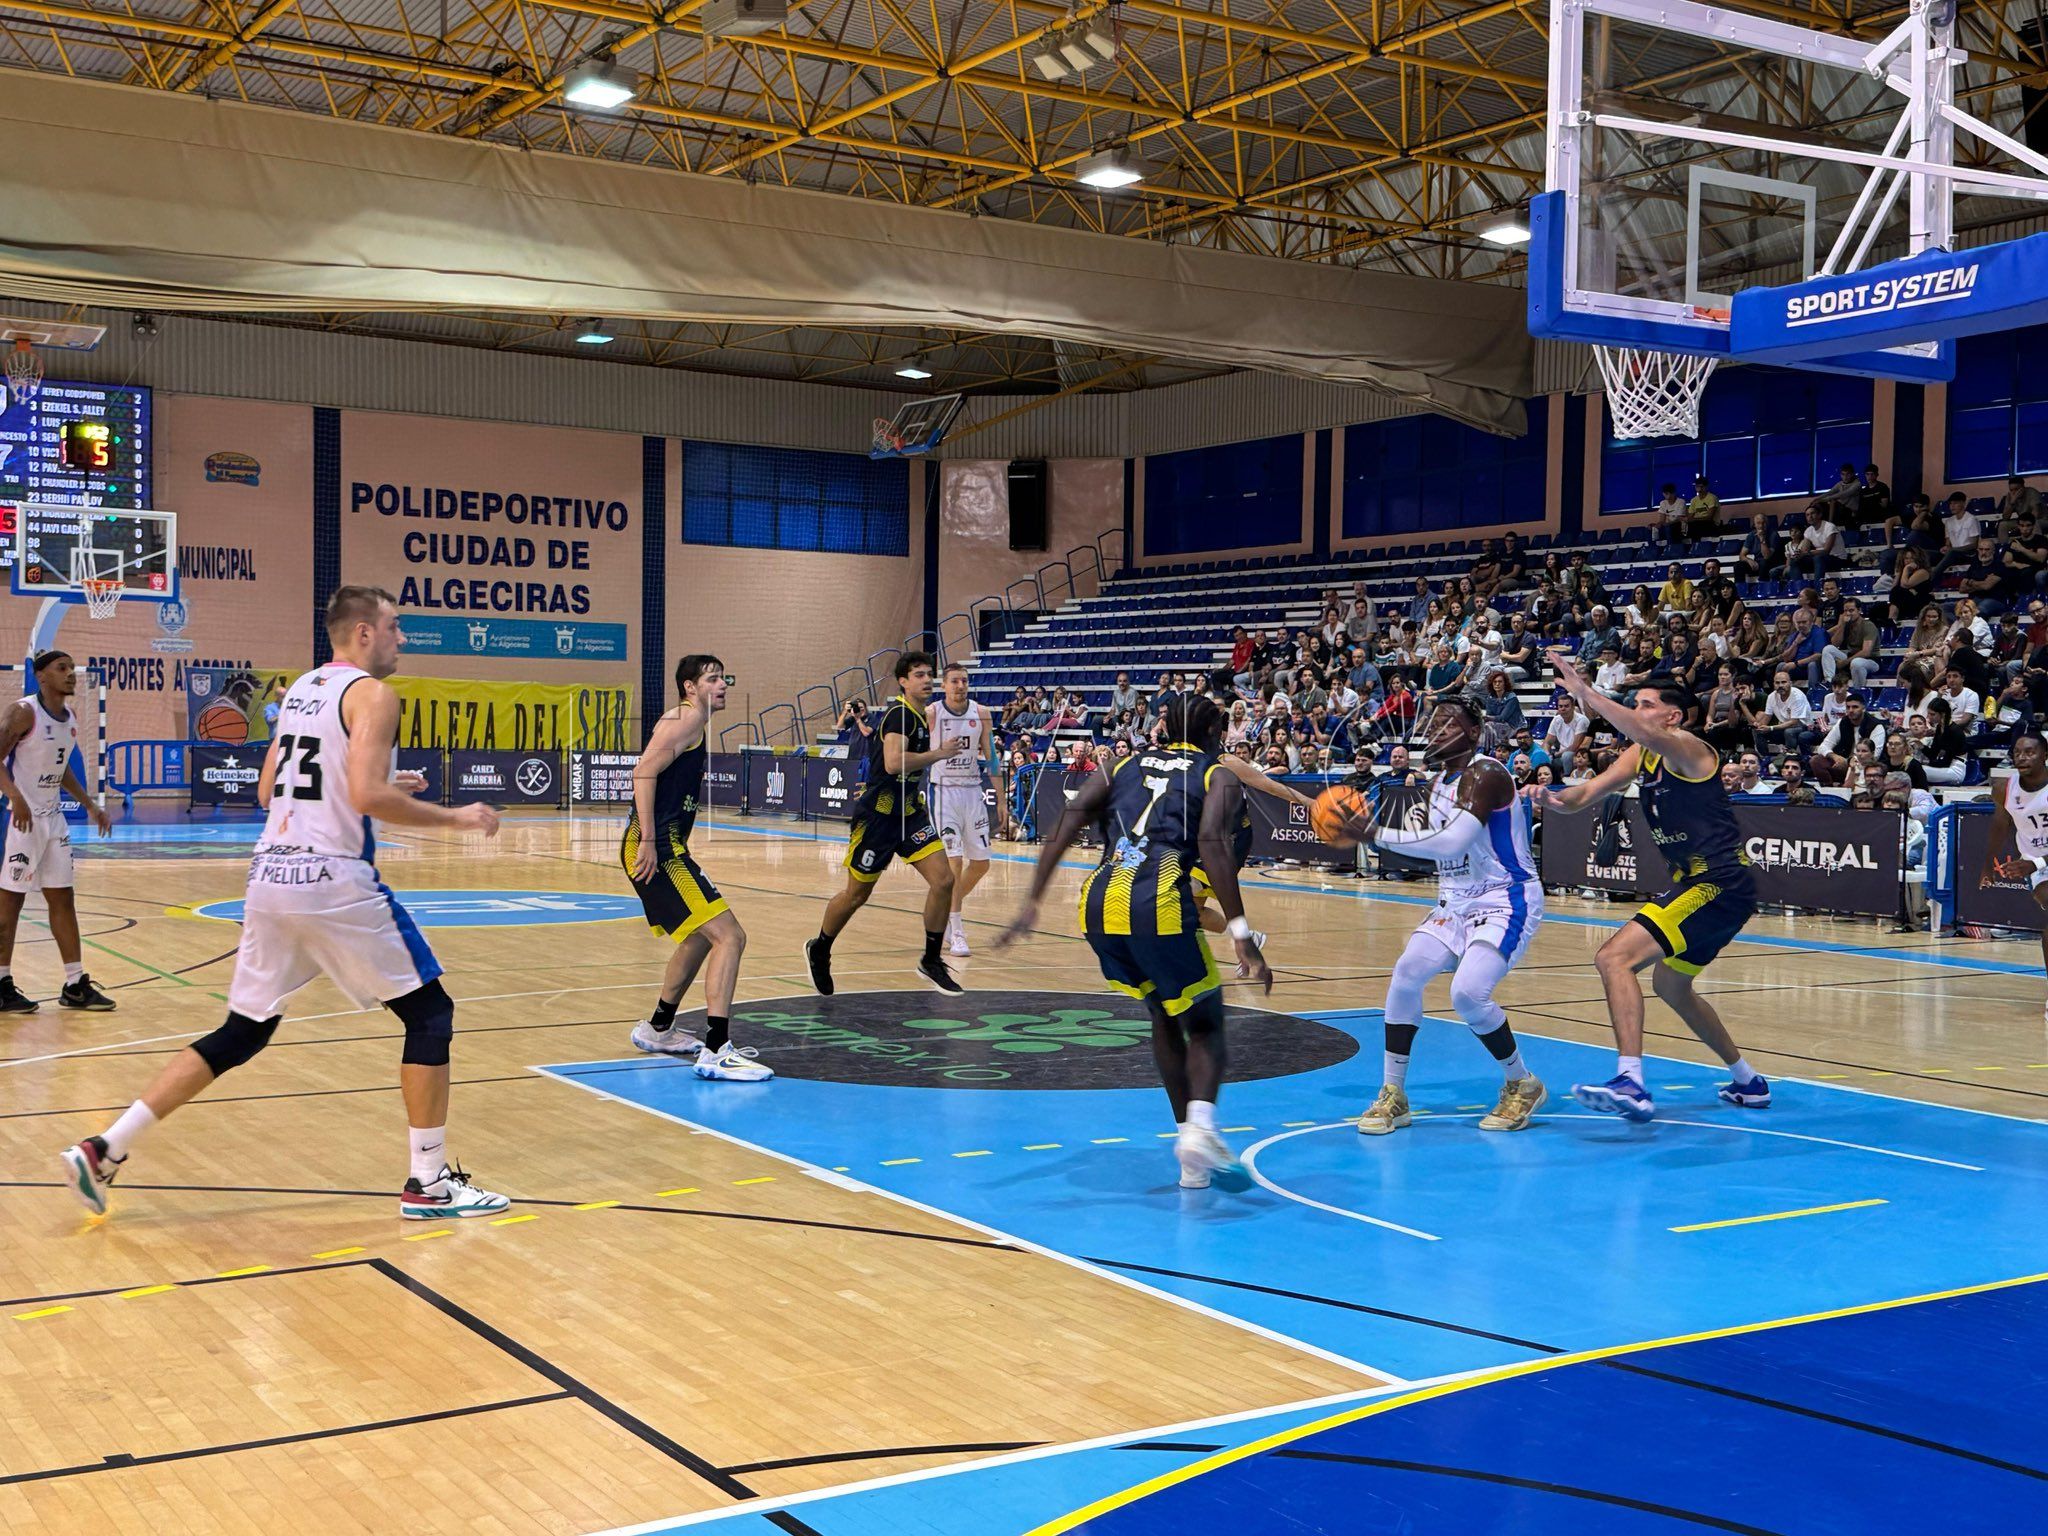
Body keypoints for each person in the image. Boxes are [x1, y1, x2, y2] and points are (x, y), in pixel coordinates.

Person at [60, 587, 509, 1218]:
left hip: (270, 877)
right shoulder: (376, 695)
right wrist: (457, 818)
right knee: (430, 1015)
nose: (401, 638)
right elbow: (366, 798)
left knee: (242, 1032)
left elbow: (273, 788)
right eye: (394, 627)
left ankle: (105, 1147)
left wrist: (375, 783)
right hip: (333, 880)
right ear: (362, 634)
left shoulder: (298, 691)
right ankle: (428, 1182)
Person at [998, 696, 1270, 1189]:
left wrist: (1032, 901)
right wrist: (1241, 933)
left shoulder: (1121, 761)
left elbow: (1069, 818)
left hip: (1098, 902)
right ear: (1215, 733)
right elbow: (1211, 844)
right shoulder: (1217, 774)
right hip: (1157, 899)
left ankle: (1191, 1156)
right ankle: (1200, 1130)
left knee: (1165, 1012)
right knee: (1206, 1022)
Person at [1529, 659, 1772, 1122]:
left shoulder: (1690, 749)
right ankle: (1748, 1081)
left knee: (1612, 957)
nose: (1636, 712)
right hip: (1705, 887)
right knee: (1671, 986)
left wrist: (1588, 693)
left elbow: (1625, 722)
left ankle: (1631, 1081)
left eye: (1645, 706)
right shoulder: (1643, 755)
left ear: (1672, 717)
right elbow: (1584, 795)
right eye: (1635, 705)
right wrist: (1552, 800)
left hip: (1717, 883)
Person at [1353, 694, 1548, 1137]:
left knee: (1467, 993)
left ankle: (1522, 1082)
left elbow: (1449, 844)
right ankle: (1393, 1093)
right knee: (1405, 974)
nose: (1436, 731)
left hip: (1505, 897)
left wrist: (1372, 833)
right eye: (1433, 723)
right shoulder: (1439, 782)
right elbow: (1428, 843)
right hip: (1454, 901)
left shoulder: (1486, 774)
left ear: (1474, 733)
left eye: (1448, 724)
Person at [620, 655, 768, 1078]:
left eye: (724, 677)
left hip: (663, 843)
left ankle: (659, 1028)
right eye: (712, 679)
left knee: (701, 938)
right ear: (690, 686)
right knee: (730, 936)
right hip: (658, 847)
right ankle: (718, 1050)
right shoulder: (685, 719)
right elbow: (643, 772)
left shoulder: (691, 721)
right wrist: (648, 839)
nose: (722, 685)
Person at [807, 652, 971, 997]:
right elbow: (895, 763)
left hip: (910, 813)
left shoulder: (918, 715)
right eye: (919, 675)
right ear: (903, 682)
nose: (927, 679)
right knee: (856, 895)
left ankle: (930, 959)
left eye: (930, 674)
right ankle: (820, 947)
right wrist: (938, 754)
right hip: (879, 817)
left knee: (943, 880)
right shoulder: (899, 714)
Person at [0, 650, 116, 1014]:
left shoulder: (70, 718)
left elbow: (61, 766)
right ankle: (1, 982)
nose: (70, 674)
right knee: (11, 901)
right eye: (61, 668)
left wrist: (90, 804)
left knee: (62, 899)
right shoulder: (24, 712)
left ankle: (75, 984)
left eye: (71, 668)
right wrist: (16, 796)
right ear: (42, 677)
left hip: (53, 819)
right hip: (19, 818)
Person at [927, 663, 996, 958]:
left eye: (964, 681)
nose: (960, 685)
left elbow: (991, 757)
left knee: (981, 865)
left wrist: (1002, 802)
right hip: (943, 793)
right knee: (953, 863)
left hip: (972, 792)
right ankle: (956, 932)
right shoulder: (932, 713)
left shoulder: (981, 713)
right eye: (954, 681)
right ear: (944, 685)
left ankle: (942, 908)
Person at [1981, 731, 2048, 1021]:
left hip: (2038, 862)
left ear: (2045, 755)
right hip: (2036, 861)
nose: (2022, 757)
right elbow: (2000, 824)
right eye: (2018, 752)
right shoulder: (2004, 788)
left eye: (2030, 752)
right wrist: (1988, 865)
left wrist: (2037, 862)